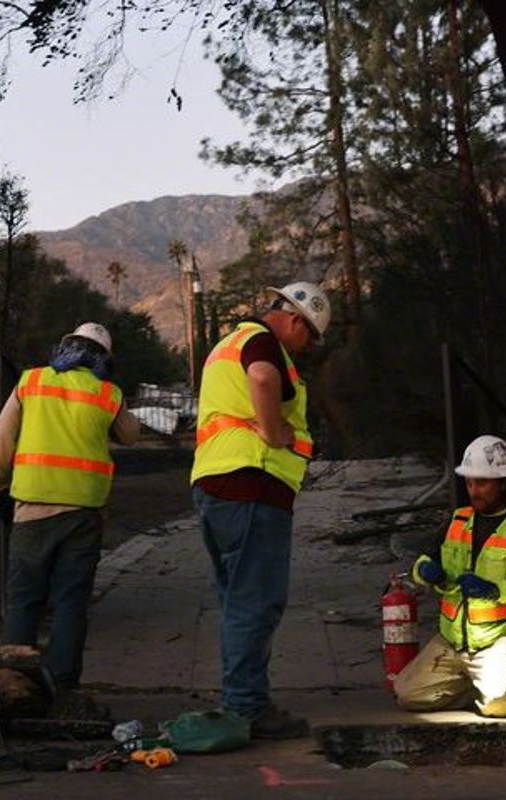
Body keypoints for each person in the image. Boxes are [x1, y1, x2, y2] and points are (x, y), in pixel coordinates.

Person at [190, 281, 331, 739]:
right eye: (308, 334)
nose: (306, 346)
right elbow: (264, 379)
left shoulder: (226, 344)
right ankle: (248, 707)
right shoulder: (260, 341)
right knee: (257, 600)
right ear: (293, 319)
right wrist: (274, 433)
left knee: (238, 600)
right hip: (253, 482)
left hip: (217, 484)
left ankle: (240, 700)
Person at [0, 322, 140, 691]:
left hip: (33, 508)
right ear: (104, 358)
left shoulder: (32, 381)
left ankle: (16, 685)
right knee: (71, 602)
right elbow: (132, 435)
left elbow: (3, 437)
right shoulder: (107, 393)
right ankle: (63, 685)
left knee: (25, 598)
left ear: (65, 345)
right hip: (84, 513)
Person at [394, 435, 506, 717]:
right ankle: (481, 685)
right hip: (453, 642)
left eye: (482, 483)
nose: (474, 490)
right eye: (469, 482)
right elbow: (423, 562)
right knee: (407, 695)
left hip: (501, 639)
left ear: (503, 483)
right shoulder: (458, 520)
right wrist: (425, 572)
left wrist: (495, 590)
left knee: (501, 706)